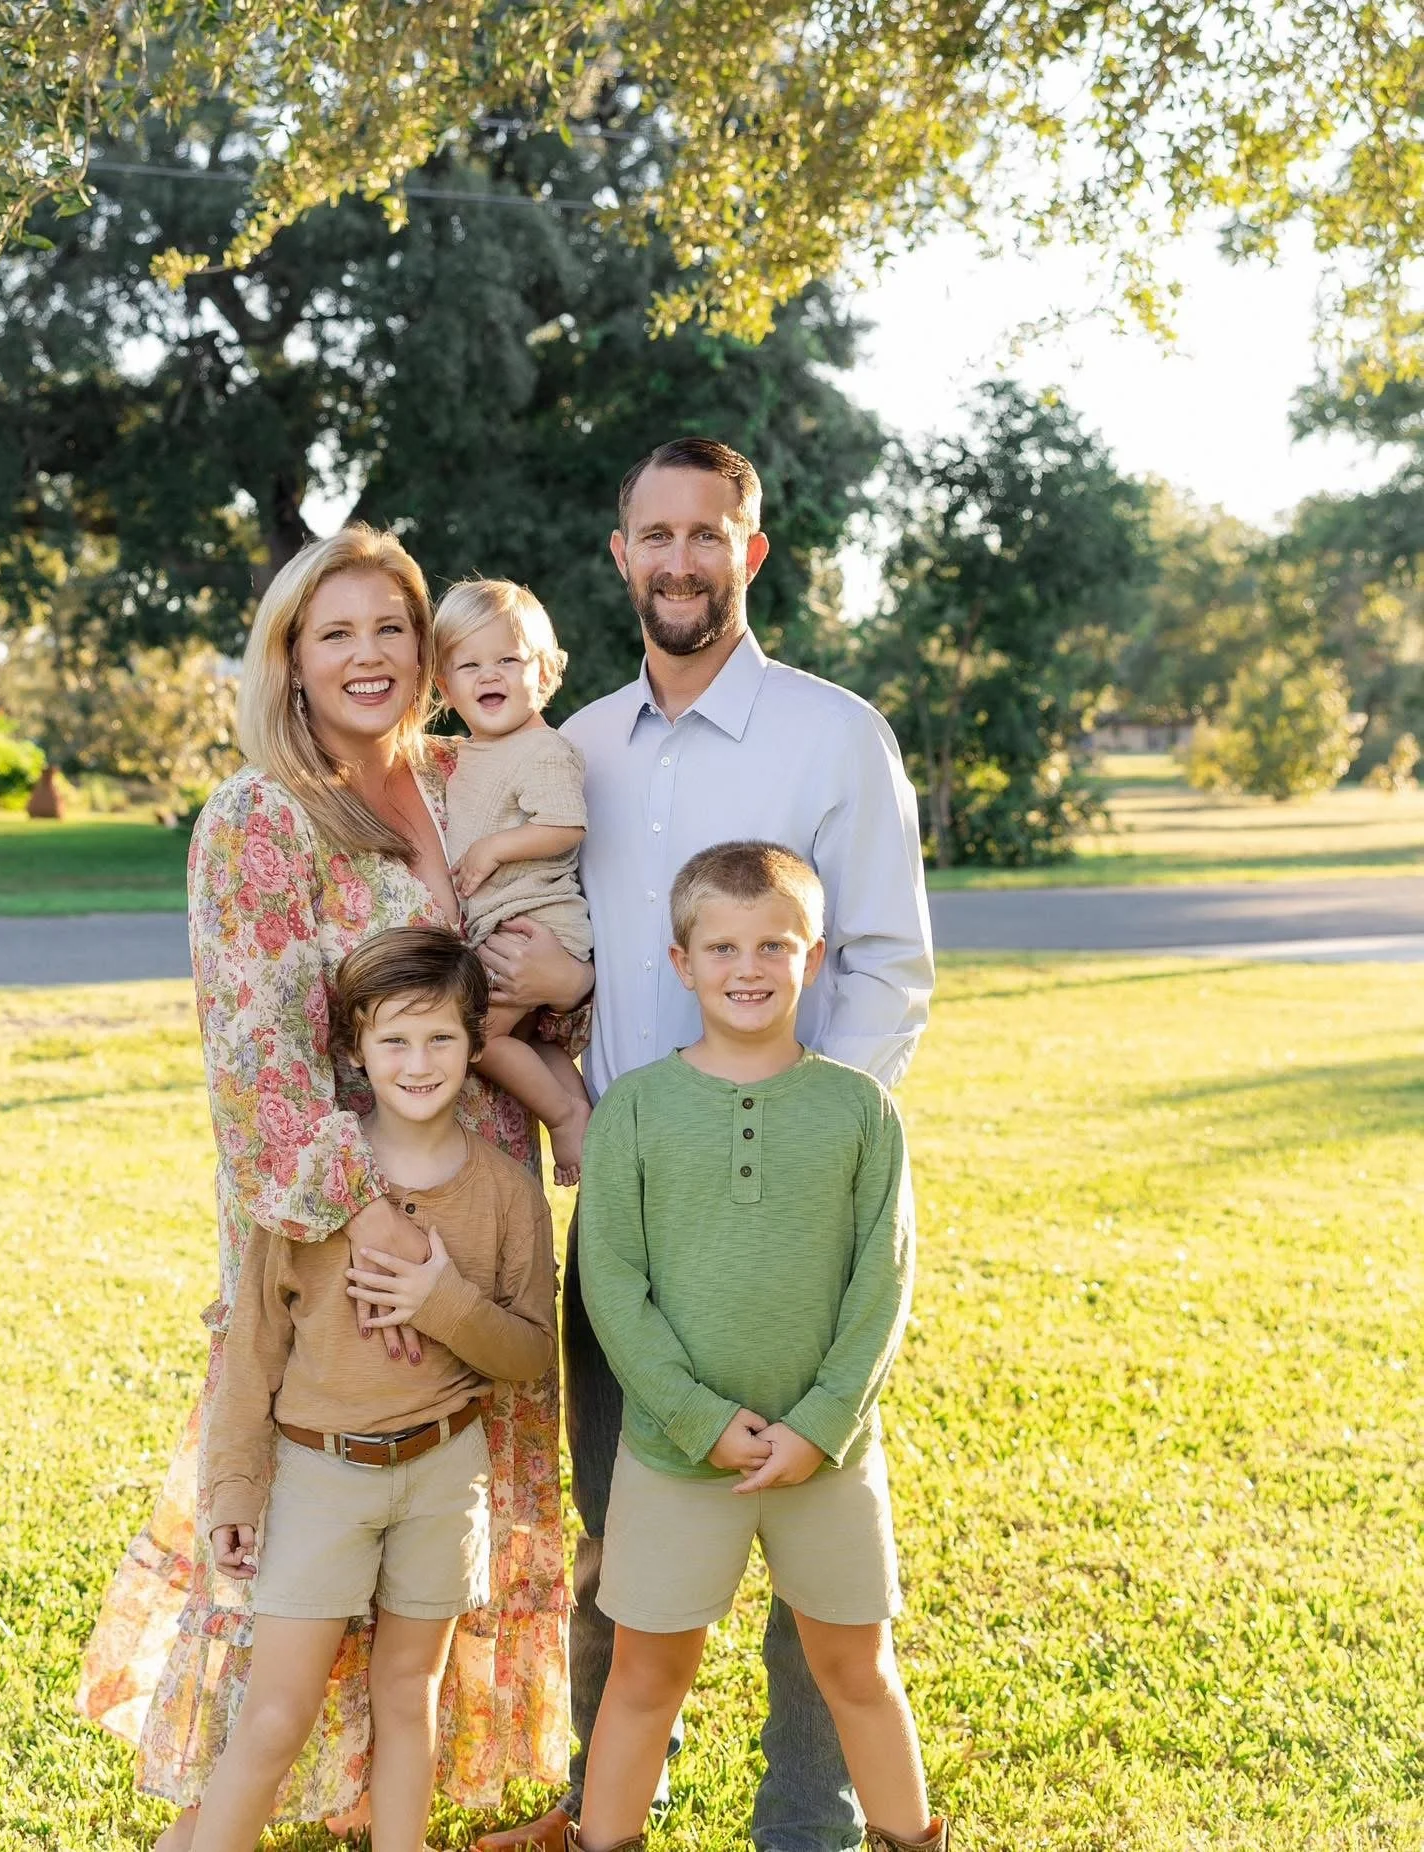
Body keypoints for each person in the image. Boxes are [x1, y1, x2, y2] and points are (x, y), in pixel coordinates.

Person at [76, 525, 586, 1829]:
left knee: (423, 1598)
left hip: (488, 1221)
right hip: (350, 1253)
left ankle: (385, 1813)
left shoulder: (478, 778)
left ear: (427, 648)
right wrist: (382, 1243)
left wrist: (564, 995)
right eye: (334, 631)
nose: (370, 654)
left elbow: (550, 948)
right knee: (310, 1595)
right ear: (290, 660)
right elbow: (254, 1069)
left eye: (392, 627)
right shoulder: (261, 816)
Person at [477, 438, 934, 1852]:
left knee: (812, 1528)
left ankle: (814, 1822)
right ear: (620, 555)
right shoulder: (580, 749)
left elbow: (887, 967)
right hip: (629, 1206)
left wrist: (802, 1150)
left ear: (752, 551)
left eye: (707, 533)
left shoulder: (834, 734)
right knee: (622, 1535)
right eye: (652, 534)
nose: (679, 558)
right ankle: (605, 1808)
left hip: (794, 1219)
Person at [572, 842, 942, 1852]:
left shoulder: (858, 1111)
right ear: (680, 961)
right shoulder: (635, 1112)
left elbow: (884, 1285)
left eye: (774, 943)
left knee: (858, 1672)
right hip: (672, 1453)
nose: (749, 965)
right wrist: (698, 1418)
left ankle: (910, 1838)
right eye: (722, 944)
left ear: (812, 957)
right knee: (645, 1679)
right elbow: (612, 1282)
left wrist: (819, 1425)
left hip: (826, 1456)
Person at [192, 927, 559, 1852]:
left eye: (440, 1037)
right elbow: (252, 1353)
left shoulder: (509, 1191)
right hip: (320, 1476)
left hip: (446, 1474)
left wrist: (441, 1302)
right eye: (393, 1039)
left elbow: (529, 1354)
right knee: (276, 1714)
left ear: (476, 1044)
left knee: (409, 1697)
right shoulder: (316, 1187)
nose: (418, 1061)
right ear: (354, 1049)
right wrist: (234, 1488)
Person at [435, 578, 594, 1184]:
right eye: (469, 665)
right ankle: (578, 1107)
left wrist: (494, 847)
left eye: (508, 659)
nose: (489, 675)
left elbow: (565, 825)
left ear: (545, 674)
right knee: (534, 1039)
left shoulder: (542, 750)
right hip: (509, 928)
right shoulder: (467, 753)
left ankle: (562, 1116)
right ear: (446, 688)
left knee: (478, 1040)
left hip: (537, 926)